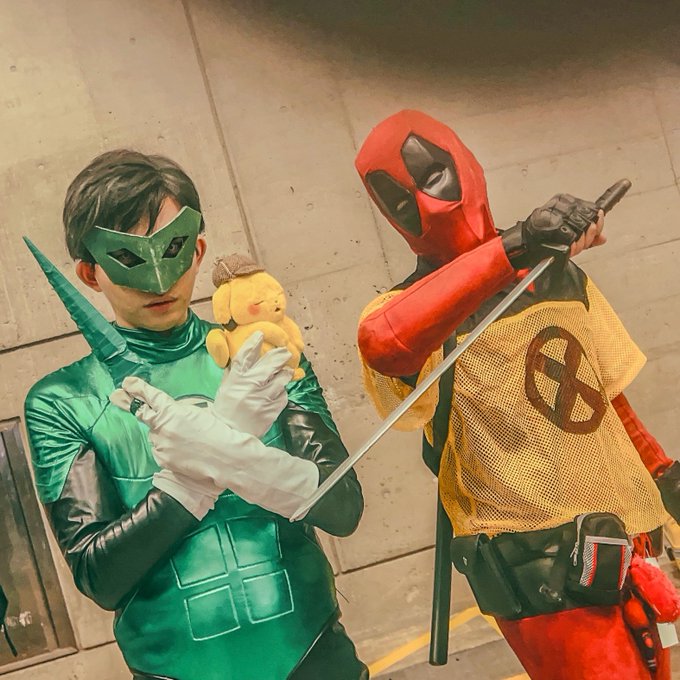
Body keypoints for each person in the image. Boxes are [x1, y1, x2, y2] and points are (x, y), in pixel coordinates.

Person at [354, 109, 679, 679]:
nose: (430, 207)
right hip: (540, 570)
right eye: (402, 203)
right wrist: (518, 244)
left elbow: (599, 399)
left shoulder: (558, 276)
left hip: (628, 539)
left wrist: (663, 475)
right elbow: (385, 343)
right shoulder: (410, 313)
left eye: (434, 177)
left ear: (466, 163)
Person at [24, 150, 367, 680]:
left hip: (316, 658)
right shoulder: (64, 401)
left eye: (173, 248)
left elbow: (342, 507)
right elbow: (100, 576)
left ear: (198, 248)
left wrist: (220, 452)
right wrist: (198, 472)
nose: (159, 280)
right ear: (90, 273)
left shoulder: (260, 353)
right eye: (129, 258)